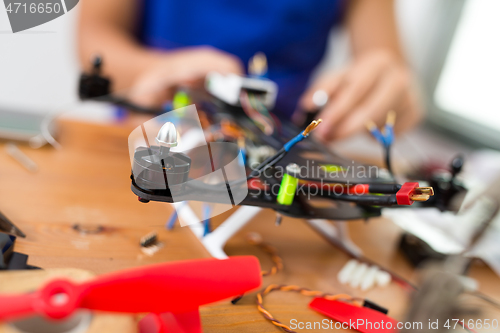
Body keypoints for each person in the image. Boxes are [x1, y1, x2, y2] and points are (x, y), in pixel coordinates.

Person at [78, 0, 422, 142]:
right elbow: (93, 37)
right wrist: (156, 69)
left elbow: (388, 69)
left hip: (276, 153)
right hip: (151, 141)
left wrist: (388, 92)